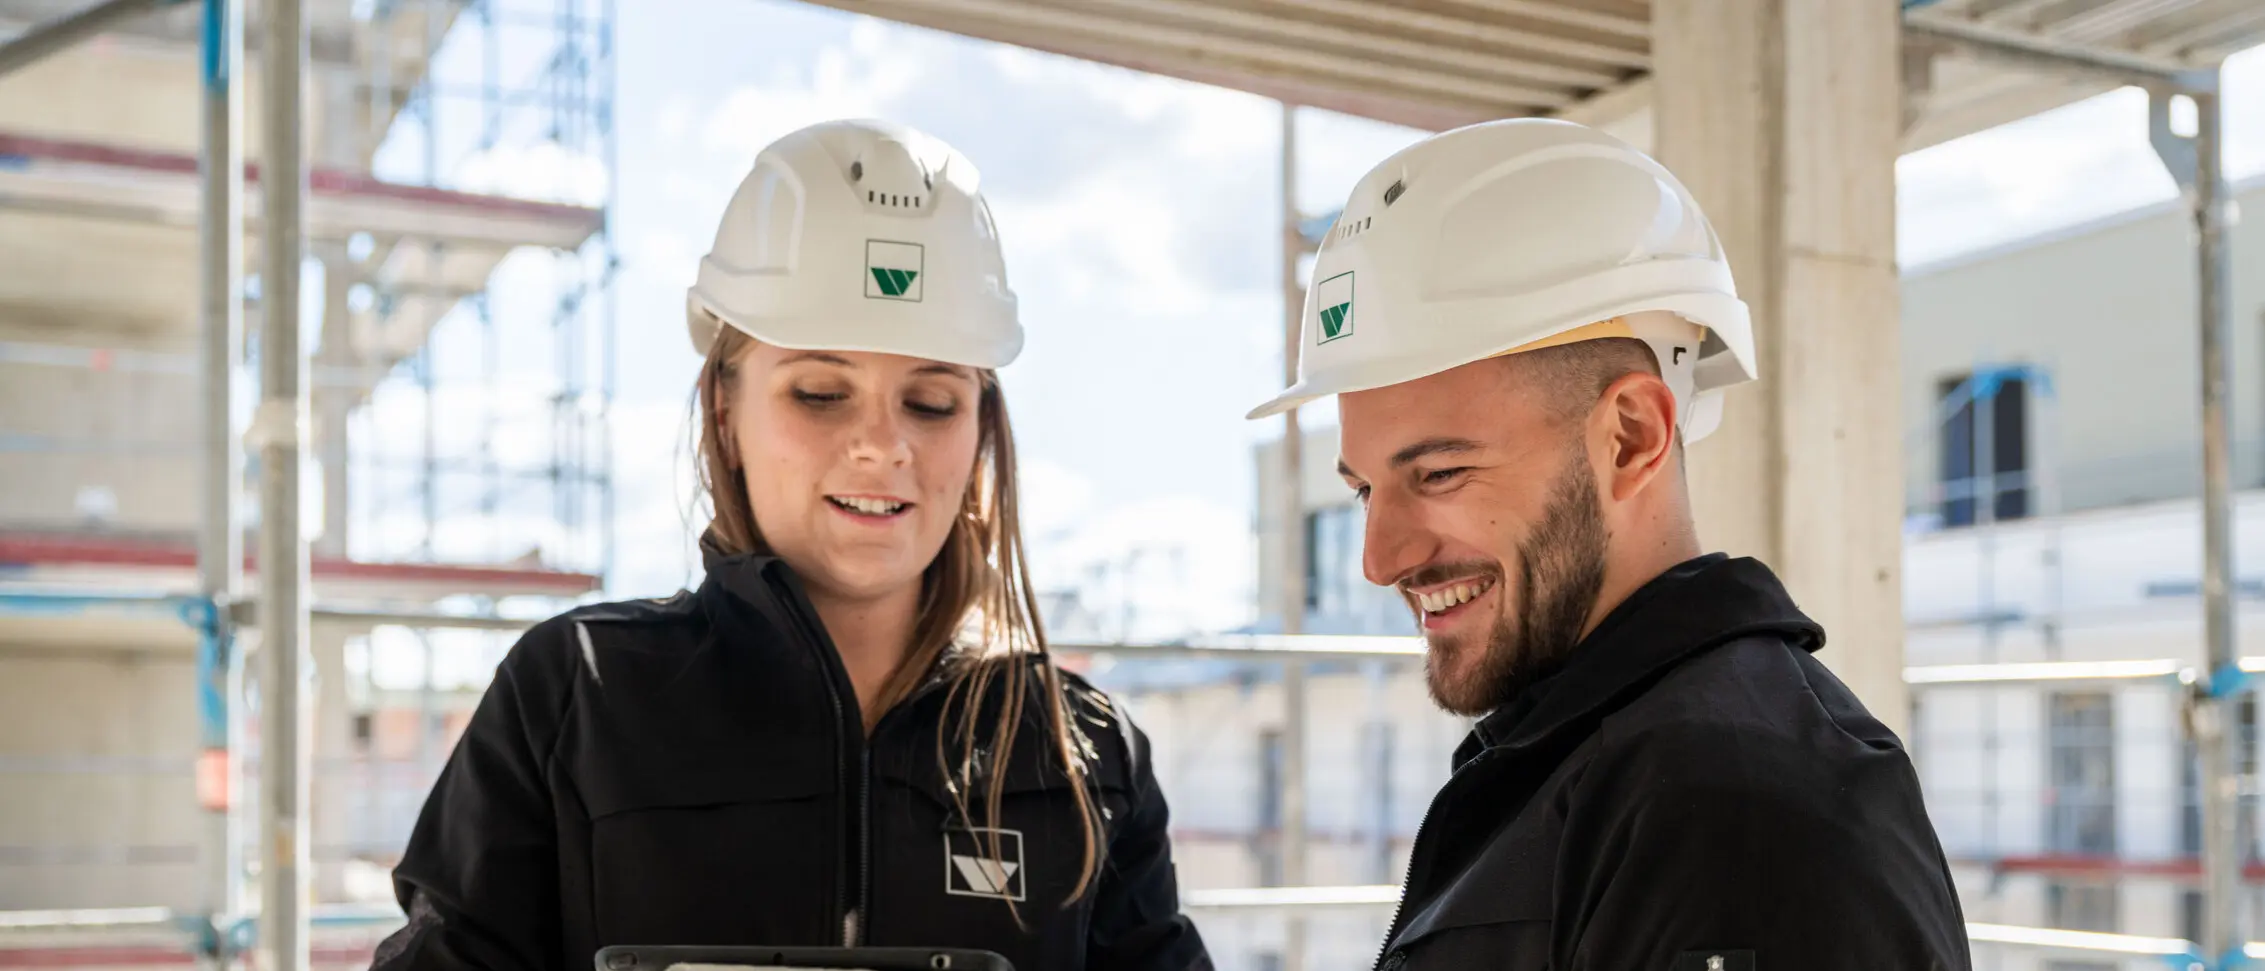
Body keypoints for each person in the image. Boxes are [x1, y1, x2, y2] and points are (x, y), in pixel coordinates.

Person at [372, 119, 1211, 971]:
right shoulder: (575, 698)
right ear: (725, 413)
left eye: (930, 402)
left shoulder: (1081, 752)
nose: (883, 445)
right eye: (820, 392)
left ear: (981, 432)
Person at [1247, 118, 1970, 970]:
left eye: (1439, 472)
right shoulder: (1590, 767)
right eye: (1364, 489)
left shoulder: (1732, 812)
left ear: (1629, 436)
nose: (1379, 558)